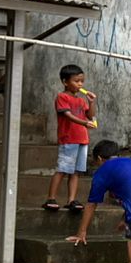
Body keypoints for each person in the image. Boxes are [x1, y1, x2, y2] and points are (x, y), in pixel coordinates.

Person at [44, 64, 97, 213]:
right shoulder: (62, 97)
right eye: (76, 81)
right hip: (68, 139)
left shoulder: (81, 100)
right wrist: (84, 123)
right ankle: (51, 198)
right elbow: (67, 115)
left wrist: (91, 102)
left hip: (82, 140)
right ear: (65, 82)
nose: (80, 84)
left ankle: (71, 200)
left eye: (82, 81)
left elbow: (90, 115)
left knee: (76, 172)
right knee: (62, 169)